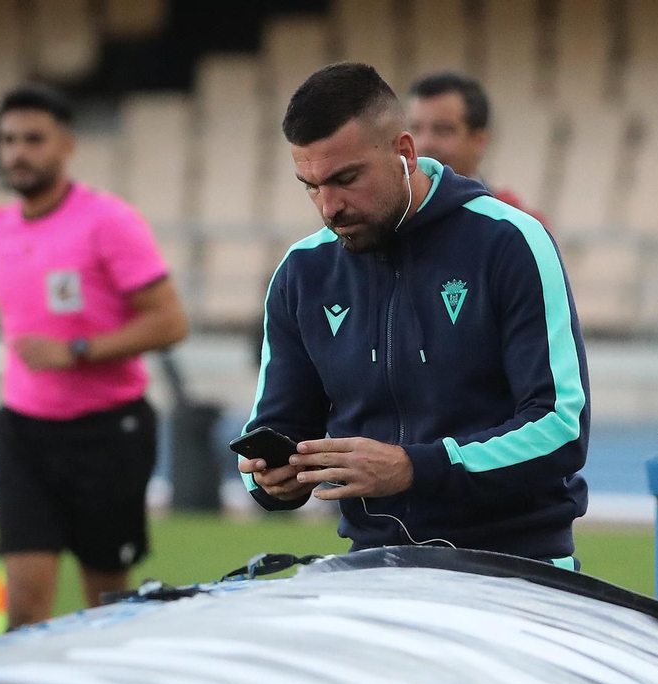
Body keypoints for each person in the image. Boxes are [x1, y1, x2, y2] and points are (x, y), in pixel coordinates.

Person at [240, 63, 590, 565]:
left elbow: (560, 427)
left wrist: (415, 467)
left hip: (517, 567)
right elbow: (273, 429)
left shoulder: (511, 241)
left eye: (345, 178)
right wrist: (270, 478)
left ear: (404, 153)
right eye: (311, 185)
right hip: (375, 573)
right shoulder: (301, 273)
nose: (328, 207)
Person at [0, 84, 189, 627]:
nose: (17, 153)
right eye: (7, 140)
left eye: (32, 139)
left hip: (107, 433)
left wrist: (76, 350)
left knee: (105, 604)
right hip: (24, 432)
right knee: (23, 602)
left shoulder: (108, 221)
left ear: (66, 145)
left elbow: (170, 322)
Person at [407, 71, 550, 227]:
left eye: (443, 130)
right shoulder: (389, 220)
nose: (424, 143)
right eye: (415, 129)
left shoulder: (516, 226)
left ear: (479, 141)